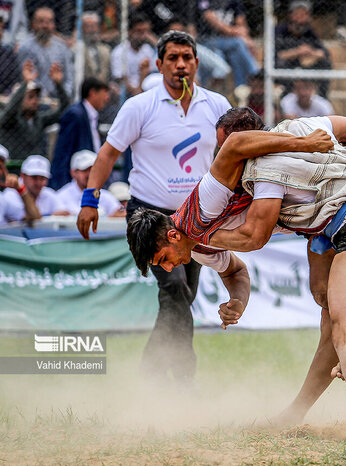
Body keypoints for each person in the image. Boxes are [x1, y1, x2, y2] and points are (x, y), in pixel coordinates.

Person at [126, 112, 346, 421]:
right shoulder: (201, 236)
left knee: (345, 332)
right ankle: (297, 412)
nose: (168, 268)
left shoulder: (238, 184)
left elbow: (254, 233)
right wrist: (237, 301)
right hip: (340, 226)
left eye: (163, 259)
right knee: (326, 298)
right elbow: (235, 271)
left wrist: (317, 150)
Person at [76, 30, 232, 384]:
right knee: (174, 286)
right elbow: (108, 154)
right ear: (159, 64)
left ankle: (150, 372)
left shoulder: (217, 106)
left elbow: (234, 152)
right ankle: (182, 378)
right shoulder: (139, 106)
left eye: (187, 58)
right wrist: (90, 199)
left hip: (195, 218)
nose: (181, 65)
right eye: (173, 58)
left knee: (182, 298)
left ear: (196, 63)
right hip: (149, 215)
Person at [0, 59, 69, 160]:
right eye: (30, 97)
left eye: (37, 97)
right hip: (16, 168)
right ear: (20, 99)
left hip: (36, 168)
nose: (35, 100)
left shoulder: (39, 119)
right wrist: (25, 83)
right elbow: (10, 111)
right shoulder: (11, 120)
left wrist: (58, 85)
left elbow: (64, 111)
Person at [50, 77, 110, 189]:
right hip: (74, 183)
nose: (107, 98)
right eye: (104, 93)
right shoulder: (75, 115)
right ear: (93, 93)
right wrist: (61, 185)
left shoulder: (92, 116)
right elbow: (63, 153)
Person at [275, 0, 332, 97]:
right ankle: (286, 95)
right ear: (291, 15)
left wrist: (311, 52)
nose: (301, 17)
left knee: (325, 63)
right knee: (281, 63)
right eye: (298, 13)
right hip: (286, 68)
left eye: (304, 14)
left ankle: (323, 96)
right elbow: (277, 55)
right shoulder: (280, 31)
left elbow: (324, 53)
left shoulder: (309, 32)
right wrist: (297, 52)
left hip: (303, 66)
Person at [196, 0, 259, 87]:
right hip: (208, 40)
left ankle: (240, 88)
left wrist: (247, 39)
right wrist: (237, 34)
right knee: (238, 43)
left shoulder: (234, 2)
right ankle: (256, 74)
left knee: (236, 54)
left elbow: (241, 23)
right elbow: (213, 21)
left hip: (229, 42)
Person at [17, 7, 73, 97]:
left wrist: (64, 95)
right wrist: (44, 97)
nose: (45, 26)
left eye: (49, 22)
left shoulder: (62, 47)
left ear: (54, 25)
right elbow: (29, 78)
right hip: (35, 98)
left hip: (59, 97)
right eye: (41, 21)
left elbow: (69, 78)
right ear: (33, 24)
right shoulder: (26, 47)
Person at [57, 150, 122, 217]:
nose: (89, 174)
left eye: (93, 170)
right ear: (73, 173)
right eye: (85, 170)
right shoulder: (61, 196)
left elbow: (120, 212)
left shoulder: (106, 196)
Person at [3, 154, 68, 218]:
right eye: (34, 177)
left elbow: (65, 213)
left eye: (42, 178)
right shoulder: (11, 194)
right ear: (23, 175)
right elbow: (31, 218)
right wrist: (51, 216)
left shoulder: (48, 193)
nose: (38, 183)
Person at [110, 13, 158, 97]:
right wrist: (138, 88)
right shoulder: (120, 52)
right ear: (130, 32)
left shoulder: (148, 50)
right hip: (125, 93)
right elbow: (123, 81)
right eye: (139, 32)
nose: (144, 36)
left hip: (146, 90)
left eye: (146, 31)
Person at [81, 11, 112, 84]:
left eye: (94, 26)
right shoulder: (77, 50)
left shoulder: (106, 50)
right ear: (82, 29)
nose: (92, 30)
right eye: (88, 26)